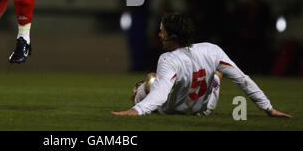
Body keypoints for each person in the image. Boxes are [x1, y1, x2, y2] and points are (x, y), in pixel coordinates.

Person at [111, 13, 292, 117]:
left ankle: (138, 92)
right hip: (204, 110)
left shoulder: (168, 59)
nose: (159, 34)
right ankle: (215, 79)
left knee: (151, 80)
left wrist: (134, 111)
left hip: (172, 111)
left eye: (162, 31)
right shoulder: (212, 50)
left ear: (173, 36)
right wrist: (269, 108)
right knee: (216, 74)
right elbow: (242, 80)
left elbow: (159, 95)